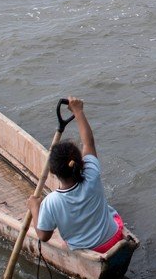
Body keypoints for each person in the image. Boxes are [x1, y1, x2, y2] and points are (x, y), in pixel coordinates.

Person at [26, 97, 127, 253]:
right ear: (80, 161)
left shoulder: (51, 202)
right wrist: (78, 111)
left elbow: (43, 236)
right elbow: (89, 143)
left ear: (52, 172)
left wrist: (34, 207)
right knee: (109, 211)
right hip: (114, 237)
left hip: (89, 249)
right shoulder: (91, 175)